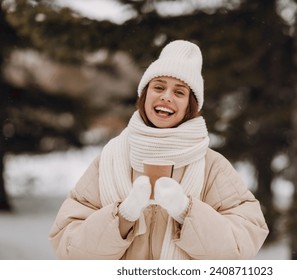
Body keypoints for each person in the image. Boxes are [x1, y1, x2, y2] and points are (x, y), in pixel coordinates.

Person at [49, 40, 269, 260]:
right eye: (159, 87)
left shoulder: (211, 166)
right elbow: (69, 249)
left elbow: (241, 247)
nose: (166, 97)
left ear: (189, 107)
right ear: (145, 95)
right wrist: (124, 215)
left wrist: (186, 211)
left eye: (179, 92)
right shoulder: (110, 159)